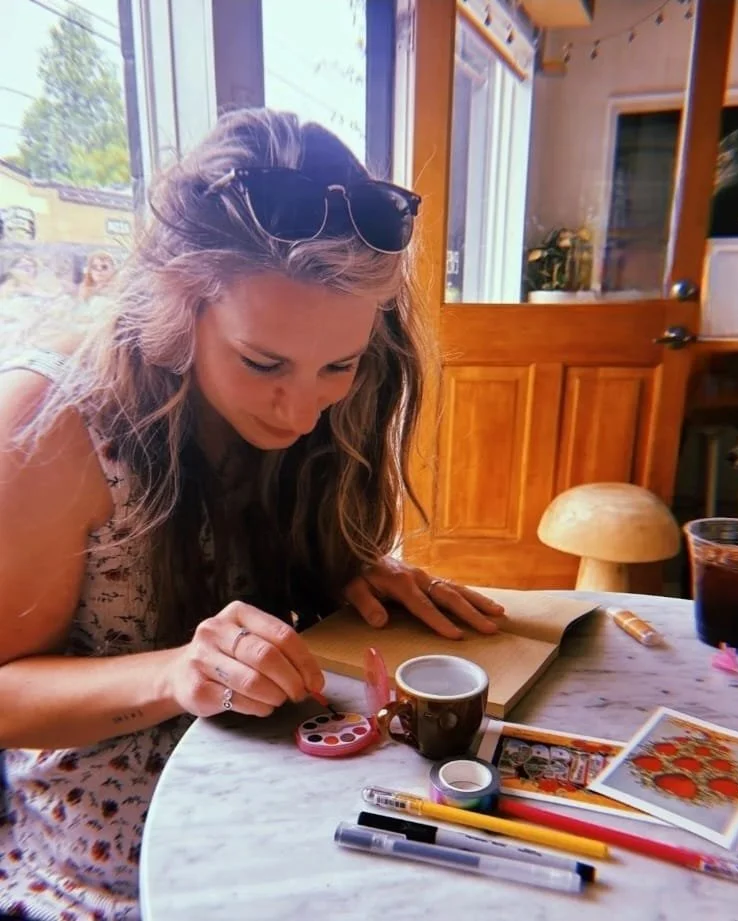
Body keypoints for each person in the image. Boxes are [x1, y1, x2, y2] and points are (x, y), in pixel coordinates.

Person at [0, 108, 504, 920]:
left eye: (337, 365)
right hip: (110, 874)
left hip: (297, 819)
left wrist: (345, 573)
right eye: (262, 362)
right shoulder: (52, 421)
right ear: (177, 304)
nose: (301, 411)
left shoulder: (340, 396)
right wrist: (178, 673)